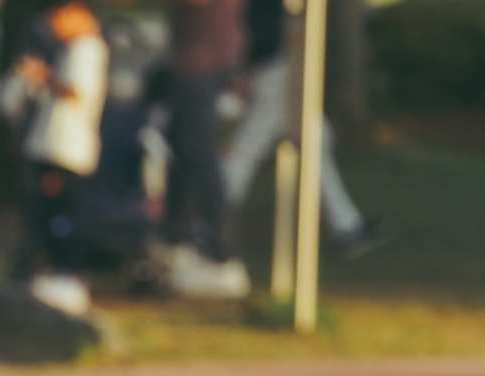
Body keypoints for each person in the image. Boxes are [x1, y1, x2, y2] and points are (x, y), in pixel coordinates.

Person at [220, 0, 383, 261]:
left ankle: (347, 226)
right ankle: (210, 223)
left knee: (314, 137)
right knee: (249, 149)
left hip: (275, 59)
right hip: (270, 62)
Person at [0, 0, 108, 281]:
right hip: (51, 144)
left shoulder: (87, 48)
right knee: (43, 214)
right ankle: (44, 267)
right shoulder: (73, 49)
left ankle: (62, 269)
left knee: (56, 215)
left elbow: (75, 91)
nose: (55, 25)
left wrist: (43, 75)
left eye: (59, 17)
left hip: (63, 148)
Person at [159, 0, 246, 291]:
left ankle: (221, 255)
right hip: (194, 61)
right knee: (181, 155)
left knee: (201, 157)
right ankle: (176, 241)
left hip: (205, 63)